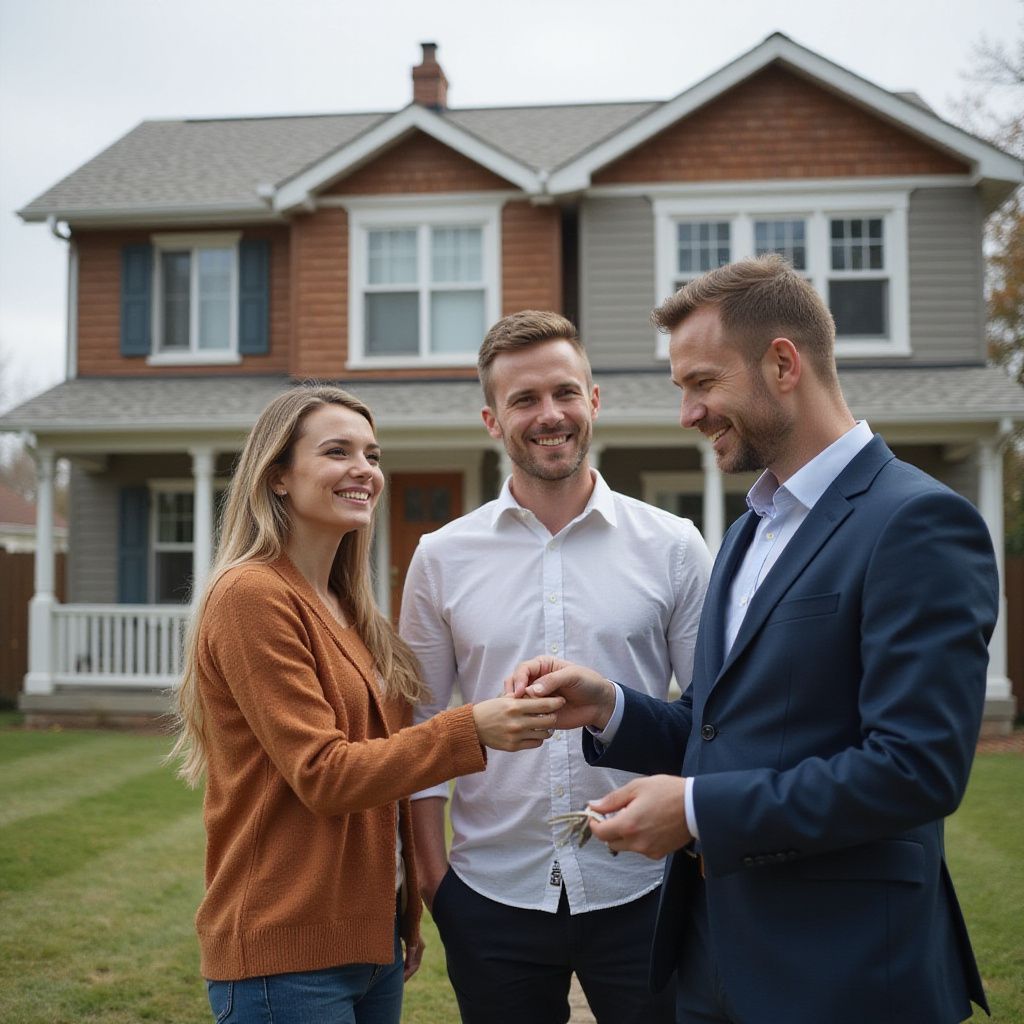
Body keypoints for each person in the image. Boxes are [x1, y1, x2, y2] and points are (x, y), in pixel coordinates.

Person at [510, 256, 999, 1024]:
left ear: (782, 364)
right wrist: (609, 707)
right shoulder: (746, 533)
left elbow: (916, 769)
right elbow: (716, 725)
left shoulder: (916, 523)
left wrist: (700, 812)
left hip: (846, 975)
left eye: (702, 383)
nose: (688, 413)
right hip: (712, 964)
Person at [167, 384, 564, 1024]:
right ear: (276, 478)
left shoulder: (353, 612)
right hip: (286, 955)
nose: (365, 470)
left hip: (371, 943)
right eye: (337, 451)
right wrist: (474, 729)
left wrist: (402, 913)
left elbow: (387, 767)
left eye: (372, 455)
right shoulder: (252, 596)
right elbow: (326, 774)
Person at [401, 311, 713, 1024]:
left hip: (644, 889)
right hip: (489, 895)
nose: (550, 416)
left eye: (565, 393)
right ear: (491, 418)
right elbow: (417, 727)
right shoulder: (440, 556)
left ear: (594, 402)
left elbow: (711, 720)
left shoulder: (673, 545)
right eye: (524, 400)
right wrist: (433, 881)